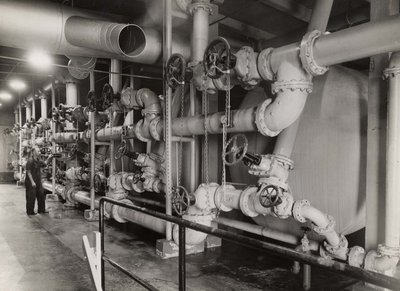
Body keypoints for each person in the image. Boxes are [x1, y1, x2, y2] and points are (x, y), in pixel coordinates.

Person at [25, 147, 52, 216]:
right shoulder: (30, 161)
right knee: (31, 196)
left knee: (41, 195)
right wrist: (32, 182)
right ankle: (30, 212)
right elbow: (28, 172)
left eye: (39, 151)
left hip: (38, 180)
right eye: (38, 151)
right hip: (31, 181)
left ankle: (41, 210)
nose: (39, 152)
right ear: (34, 152)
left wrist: (49, 158)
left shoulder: (38, 160)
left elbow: (45, 164)